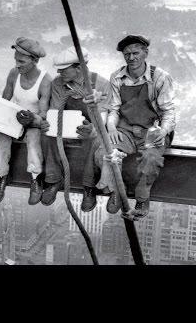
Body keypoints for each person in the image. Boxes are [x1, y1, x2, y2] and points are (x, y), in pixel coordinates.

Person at [94, 35, 175, 218]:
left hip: (153, 131)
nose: (131, 58)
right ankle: (115, 191)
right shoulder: (117, 77)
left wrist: (163, 131)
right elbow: (113, 109)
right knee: (105, 152)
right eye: (127, 54)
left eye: (135, 53)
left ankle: (142, 197)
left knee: (151, 159)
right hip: (126, 130)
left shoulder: (160, 77)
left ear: (145, 53)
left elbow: (169, 112)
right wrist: (112, 128)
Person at [39, 46, 111, 211]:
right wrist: (49, 123)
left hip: (91, 128)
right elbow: (56, 109)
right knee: (47, 134)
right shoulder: (58, 83)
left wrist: (92, 129)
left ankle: (88, 186)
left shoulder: (101, 84)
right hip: (66, 125)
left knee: (93, 140)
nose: (59, 73)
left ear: (79, 68)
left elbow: (103, 117)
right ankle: (54, 179)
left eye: (64, 70)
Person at [0, 37, 51, 205]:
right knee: (1, 134)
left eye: (22, 61)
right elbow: (5, 99)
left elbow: (44, 114)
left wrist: (32, 119)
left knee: (33, 139)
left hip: (32, 122)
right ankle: (1, 175)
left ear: (35, 60)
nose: (17, 64)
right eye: (16, 60)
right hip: (14, 117)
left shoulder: (45, 81)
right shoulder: (13, 73)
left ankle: (35, 178)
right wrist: (2, 116)